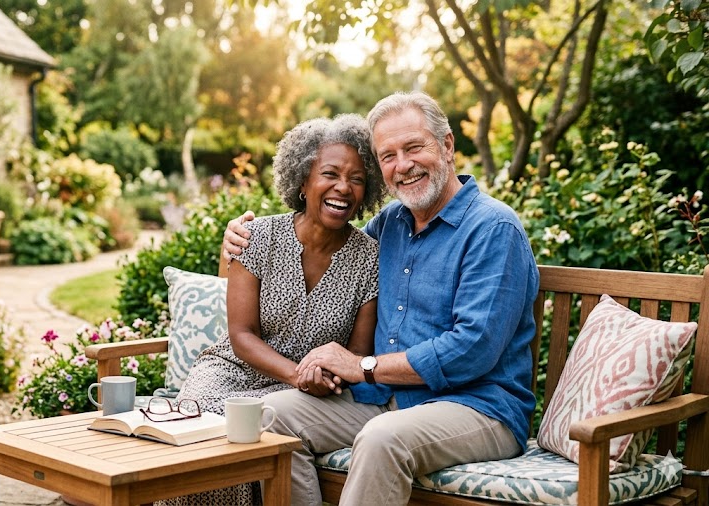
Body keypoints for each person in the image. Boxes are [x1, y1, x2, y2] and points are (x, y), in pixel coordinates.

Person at [222, 91, 540, 505]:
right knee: (273, 415)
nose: (402, 165)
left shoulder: (493, 229)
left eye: (413, 147)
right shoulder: (390, 224)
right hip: (389, 400)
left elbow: (472, 349)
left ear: (446, 146)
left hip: (477, 407)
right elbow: (326, 238)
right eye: (387, 155)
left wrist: (362, 366)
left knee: (380, 439)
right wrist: (239, 241)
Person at [159, 114, 386, 506]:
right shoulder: (258, 236)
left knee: (255, 425)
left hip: (307, 391)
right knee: (204, 422)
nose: (343, 188)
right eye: (330, 173)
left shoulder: (370, 259)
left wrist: (313, 379)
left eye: (357, 179)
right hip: (234, 369)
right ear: (302, 180)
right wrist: (298, 375)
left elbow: (357, 355)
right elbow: (242, 336)